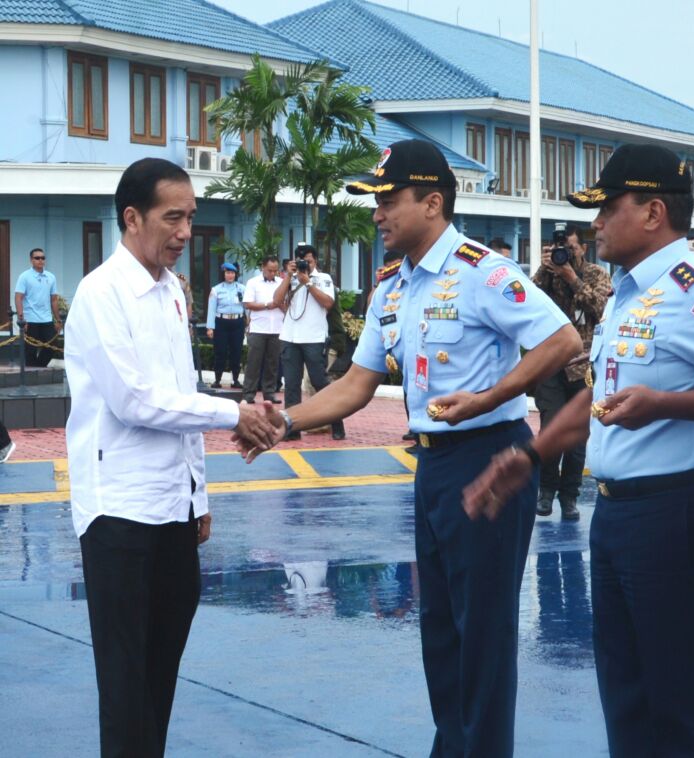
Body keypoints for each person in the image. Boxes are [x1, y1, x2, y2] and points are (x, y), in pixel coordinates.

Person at [238, 139, 580, 757]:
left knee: (483, 634)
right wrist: (284, 422)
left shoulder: (483, 271)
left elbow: (562, 338)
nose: (377, 214)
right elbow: (355, 384)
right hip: (433, 466)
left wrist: (493, 395)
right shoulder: (392, 288)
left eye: (388, 201)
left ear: (432, 202)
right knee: (440, 632)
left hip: (490, 457)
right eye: (376, 202)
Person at [464, 143, 694, 756]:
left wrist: (664, 405)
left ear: (651, 213)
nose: (594, 225)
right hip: (616, 513)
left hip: (676, 512)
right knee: (627, 697)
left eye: (606, 208)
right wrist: (532, 456)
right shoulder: (626, 294)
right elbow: (598, 400)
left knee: (681, 702)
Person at [63, 157, 273, 757]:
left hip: (172, 513)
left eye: (191, 217)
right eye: (172, 217)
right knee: (126, 684)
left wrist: (197, 497)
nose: (185, 232)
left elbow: (182, 388)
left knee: (159, 675)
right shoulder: (101, 292)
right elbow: (135, 402)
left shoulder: (172, 293)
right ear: (132, 218)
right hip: (120, 513)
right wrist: (235, 413)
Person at [531, 223, 611, 519]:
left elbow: (603, 309)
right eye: (560, 250)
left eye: (571, 249)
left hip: (583, 366)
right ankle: (546, 491)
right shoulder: (548, 275)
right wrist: (545, 269)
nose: (565, 255)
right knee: (551, 429)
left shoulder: (596, 274)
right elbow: (527, 301)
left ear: (583, 250)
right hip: (550, 363)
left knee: (577, 438)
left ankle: (569, 497)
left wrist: (572, 279)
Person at [272, 243, 344, 440]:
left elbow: (328, 303)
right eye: (302, 262)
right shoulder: (290, 279)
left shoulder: (324, 279)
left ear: (315, 261)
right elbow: (277, 300)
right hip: (290, 337)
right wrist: (288, 276)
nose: (306, 266)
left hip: (313, 338)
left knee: (320, 382)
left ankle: (337, 422)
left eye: (309, 262)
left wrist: (308, 283)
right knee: (292, 386)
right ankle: (292, 429)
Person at [241, 256, 284, 404]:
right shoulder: (253, 282)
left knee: (272, 363)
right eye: (270, 270)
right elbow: (247, 304)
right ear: (262, 268)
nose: (273, 273)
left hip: (277, 328)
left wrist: (279, 304)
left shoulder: (282, 283)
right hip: (258, 328)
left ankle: (269, 393)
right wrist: (267, 305)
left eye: (275, 270)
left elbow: (286, 303)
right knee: (254, 362)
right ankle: (248, 393)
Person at [14, 247, 62, 367]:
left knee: (52, 346)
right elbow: (18, 298)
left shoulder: (51, 277)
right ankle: (32, 372)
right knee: (30, 350)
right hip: (30, 319)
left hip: (46, 319)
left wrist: (57, 319)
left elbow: (54, 300)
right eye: (37, 258)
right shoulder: (24, 277)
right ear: (31, 260)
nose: (40, 260)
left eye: (43, 258)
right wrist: (21, 318)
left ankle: (38, 368)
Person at [205, 261, 245, 389]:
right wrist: (210, 327)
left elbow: (247, 307)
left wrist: (249, 321)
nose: (230, 275)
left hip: (237, 323)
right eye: (228, 273)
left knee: (236, 352)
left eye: (232, 273)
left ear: (235, 274)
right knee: (220, 352)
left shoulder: (242, 289)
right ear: (224, 274)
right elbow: (211, 309)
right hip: (221, 323)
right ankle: (217, 380)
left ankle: (236, 380)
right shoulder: (216, 290)